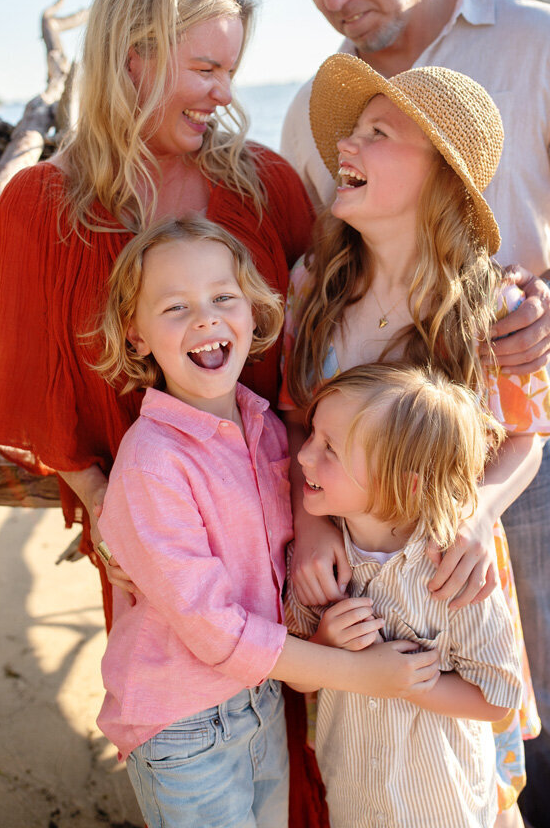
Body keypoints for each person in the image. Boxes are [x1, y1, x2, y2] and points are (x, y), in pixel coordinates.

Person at [281, 0, 550, 828]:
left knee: (543, 675)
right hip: (358, 493)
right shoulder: (335, 128)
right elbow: (316, 298)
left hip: (497, 442)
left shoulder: (540, 44)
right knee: (385, 693)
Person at [0, 0, 314, 628]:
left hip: (291, 526)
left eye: (231, 72)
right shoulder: (38, 208)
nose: (224, 94)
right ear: (132, 58)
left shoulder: (264, 183)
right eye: (206, 68)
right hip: (150, 547)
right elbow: (37, 390)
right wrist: (103, 508)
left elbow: (330, 322)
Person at [280, 57, 550, 827]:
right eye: (351, 132)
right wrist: (308, 528)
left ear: (442, 176)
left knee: (466, 770)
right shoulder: (313, 287)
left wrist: (473, 515)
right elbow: (295, 422)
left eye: (377, 134)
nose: (347, 146)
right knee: (364, 757)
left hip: (448, 571)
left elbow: (528, 437)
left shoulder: (495, 302)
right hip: (346, 569)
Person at [94, 216, 444, 828]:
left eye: (223, 298)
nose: (205, 319)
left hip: (260, 701)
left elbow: (272, 576)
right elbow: (216, 631)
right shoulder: (152, 464)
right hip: (182, 729)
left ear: (253, 314)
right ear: (136, 334)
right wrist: (362, 674)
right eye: (175, 307)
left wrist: (320, 640)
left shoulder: (268, 433)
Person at [286, 363, 524, 828]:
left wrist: (412, 682)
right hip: (354, 797)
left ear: (405, 481)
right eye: (312, 434)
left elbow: (499, 696)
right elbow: (297, 679)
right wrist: (325, 649)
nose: (304, 456)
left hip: (443, 805)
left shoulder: (452, 572)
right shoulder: (318, 563)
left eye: (330, 449)